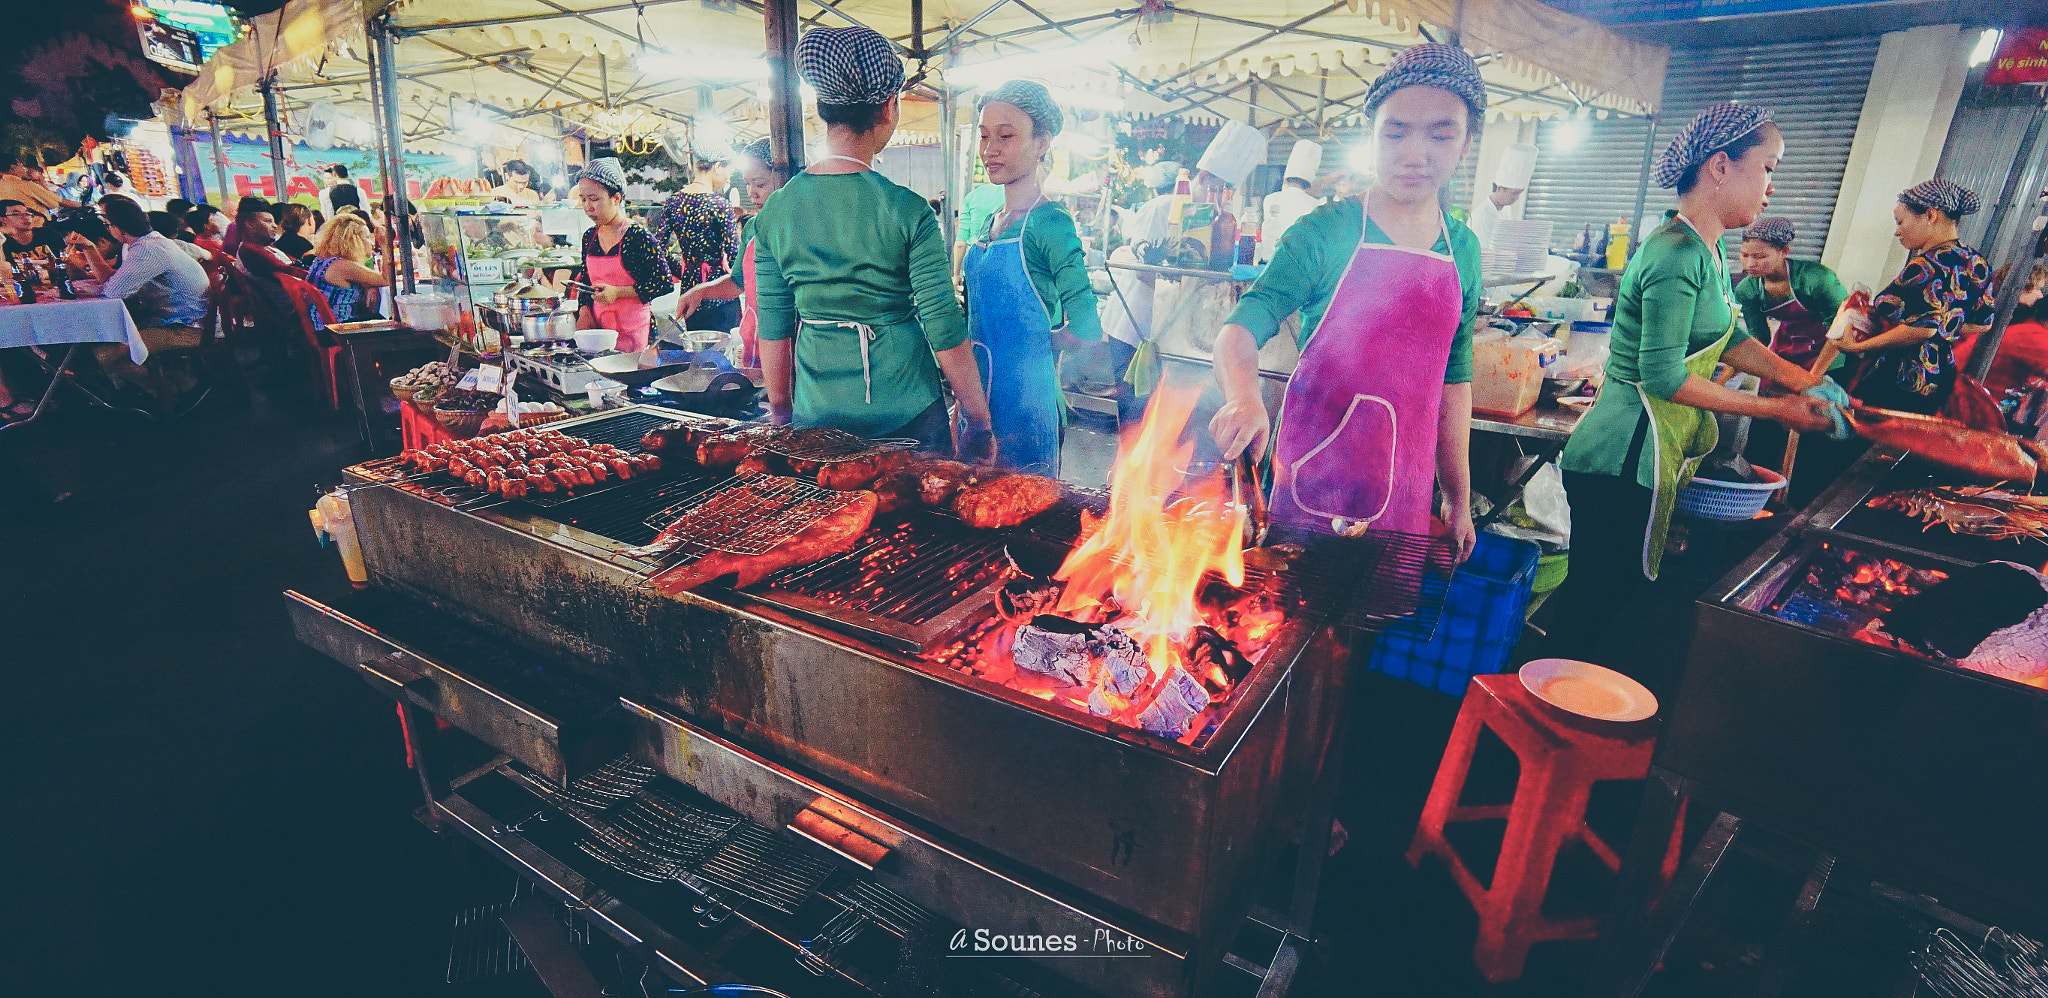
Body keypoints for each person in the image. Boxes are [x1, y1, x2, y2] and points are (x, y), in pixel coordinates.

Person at [1544, 103, 1840, 683]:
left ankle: (1566, 704)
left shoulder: (1706, 252)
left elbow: (1728, 338)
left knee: (1611, 594)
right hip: (1619, 456)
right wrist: (1776, 408)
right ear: (1721, 167)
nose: (1772, 188)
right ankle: (1542, 715)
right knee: (1595, 602)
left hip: (1643, 456)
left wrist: (1805, 380)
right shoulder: (1674, 254)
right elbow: (1662, 377)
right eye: (1768, 168)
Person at [1209, 43, 1495, 558]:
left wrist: (1458, 496)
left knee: (1378, 625)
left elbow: (1455, 379)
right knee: (1289, 625)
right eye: (1397, 131)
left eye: (1441, 133)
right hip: (1313, 482)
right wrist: (1244, 395)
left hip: (1408, 487)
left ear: (1467, 142)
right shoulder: (1326, 231)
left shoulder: (1465, 251)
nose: (1415, 153)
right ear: (1371, 135)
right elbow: (1242, 326)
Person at [751, 25, 994, 455]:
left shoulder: (776, 211)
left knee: (831, 522)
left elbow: (774, 326)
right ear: (888, 108)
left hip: (818, 415)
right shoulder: (909, 210)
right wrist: (978, 421)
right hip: (909, 414)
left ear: (822, 108)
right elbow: (942, 324)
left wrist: (783, 414)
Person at [961, 80, 1103, 476]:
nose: (990, 149)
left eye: (1006, 136)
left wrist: (1038, 347)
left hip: (1028, 407)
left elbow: (1089, 327)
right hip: (975, 404)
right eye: (985, 136)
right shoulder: (989, 223)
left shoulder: (1050, 223)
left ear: (1042, 142)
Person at [1836, 179, 1995, 415]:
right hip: (1941, 375)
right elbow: (1983, 324)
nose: (1897, 231)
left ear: (1931, 215)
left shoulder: (1926, 264)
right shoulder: (1976, 262)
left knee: (1864, 440)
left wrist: (1856, 346)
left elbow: (1922, 329)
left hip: (1903, 375)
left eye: (1901, 221)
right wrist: (1944, 331)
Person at [71, 195, 209, 405]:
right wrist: (90, 248)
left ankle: (174, 391)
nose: (107, 230)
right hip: (181, 319)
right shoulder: (145, 243)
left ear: (118, 227)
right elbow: (114, 283)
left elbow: (113, 292)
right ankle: (170, 385)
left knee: (104, 354)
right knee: (111, 339)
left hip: (191, 328)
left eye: (108, 225)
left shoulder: (147, 250)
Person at [678, 139, 788, 367]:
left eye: (759, 184)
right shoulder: (752, 228)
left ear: (784, 179)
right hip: (755, 343)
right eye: (748, 184)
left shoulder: (800, 229)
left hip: (792, 345)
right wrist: (699, 292)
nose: (752, 193)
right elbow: (738, 281)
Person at [570, 158, 672, 355]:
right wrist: (584, 312)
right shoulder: (589, 237)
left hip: (634, 332)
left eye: (594, 199)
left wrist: (618, 293)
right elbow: (585, 280)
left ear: (616, 198)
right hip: (599, 332)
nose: (587, 206)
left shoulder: (637, 236)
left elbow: (663, 282)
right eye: (583, 199)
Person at [1734, 217, 1848, 374]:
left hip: (1831, 353)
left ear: (1784, 251)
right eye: (1745, 255)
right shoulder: (1746, 290)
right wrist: (1727, 375)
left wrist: (1813, 376)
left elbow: (1840, 330)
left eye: (1760, 257)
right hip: (1789, 349)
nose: (1750, 264)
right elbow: (1759, 338)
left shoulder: (1817, 279)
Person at [651, 153, 742, 332]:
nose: (727, 180)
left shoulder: (672, 202)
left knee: (696, 350)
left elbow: (658, 248)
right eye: (728, 174)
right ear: (717, 167)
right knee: (724, 351)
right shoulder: (721, 205)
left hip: (689, 292)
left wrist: (685, 270)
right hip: (720, 292)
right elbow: (734, 255)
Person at [1957, 263, 2048, 397]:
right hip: (1966, 388)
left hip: (1964, 380)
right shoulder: (2035, 335)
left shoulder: (2022, 324)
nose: (2040, 296)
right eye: (2037, 289)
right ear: (2023, 288)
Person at [305, 211, 392, 328]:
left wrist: (370, 286)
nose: (371, 242)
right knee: (392, 323)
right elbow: (387, 280)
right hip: (336, 328)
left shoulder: (325, 260)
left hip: (320, 325)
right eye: (367, 237)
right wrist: (384, 244)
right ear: (353, 240)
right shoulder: (342, 266)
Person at [234, 199, 308, 324]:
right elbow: (290, 271)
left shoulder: (261, 246)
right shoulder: (250, 250)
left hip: (295, 301)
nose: (275, 225)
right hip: (295, 308)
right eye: (268, 221)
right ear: (249, 224)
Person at [1257, 141, 1325, 264]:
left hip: (1269, 260)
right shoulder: (1316, 205)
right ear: (1308, 184)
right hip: (1298, 263)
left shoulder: (1270, 199)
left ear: (1285, 179)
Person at [951, 181, 1005, 280]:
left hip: (974, 268)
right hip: (1003, 266)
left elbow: (960, 243)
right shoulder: (1010, 194)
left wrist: (956, 275)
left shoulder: (971, 197)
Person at [0, 153, 65, 234]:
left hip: (12, 234)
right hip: (39, 228)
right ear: (13, 167)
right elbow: (54, 203)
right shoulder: (24, 185)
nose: (25, 169)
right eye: (21, 165)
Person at [1, 199, 58, 272]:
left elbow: (64, 260)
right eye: (16, 214)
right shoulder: (3, 242)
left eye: (27, 213)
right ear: (3, 219)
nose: (25, 217)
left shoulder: (48, 234)